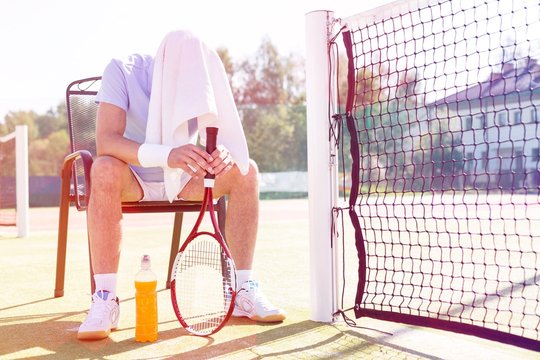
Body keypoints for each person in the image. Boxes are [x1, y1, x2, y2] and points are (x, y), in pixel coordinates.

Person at [77, 30, 286, 341]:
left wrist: (223, 154)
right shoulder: (121, 69)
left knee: (246, 170)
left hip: (185, 179)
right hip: (132, 178)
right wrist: (167, 155)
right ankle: (105, 299)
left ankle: (243, 289)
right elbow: (106, 141)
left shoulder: (199, 73)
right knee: (104, 168)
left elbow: (220, 133)